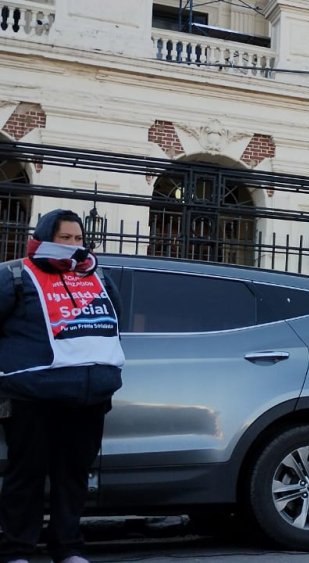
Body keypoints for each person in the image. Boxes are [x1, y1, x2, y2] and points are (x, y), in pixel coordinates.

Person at [0, 209, 125, 563]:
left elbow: (114, 319)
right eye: (64, 239)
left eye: (77, 239)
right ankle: (16, 550)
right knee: (27, 475)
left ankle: (67, 548)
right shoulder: (16, 275)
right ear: (44, 238)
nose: (72, 245)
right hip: (33, 396)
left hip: (89, 396)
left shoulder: (96, 275)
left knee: (73, 477)